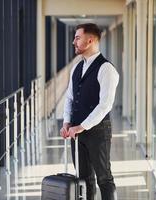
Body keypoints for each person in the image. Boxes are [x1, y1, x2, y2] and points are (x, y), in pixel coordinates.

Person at [60, 23, 119, 200]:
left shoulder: (106, 69)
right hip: (76, 132)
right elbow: (69, 98)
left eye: (77, 38)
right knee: (84, 179)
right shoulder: (77, 68)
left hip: (98, 131)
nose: (73, 42)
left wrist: (82, 126)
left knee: (104, 178)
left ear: (90, 40)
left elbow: (105, 105)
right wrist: (66, 122)